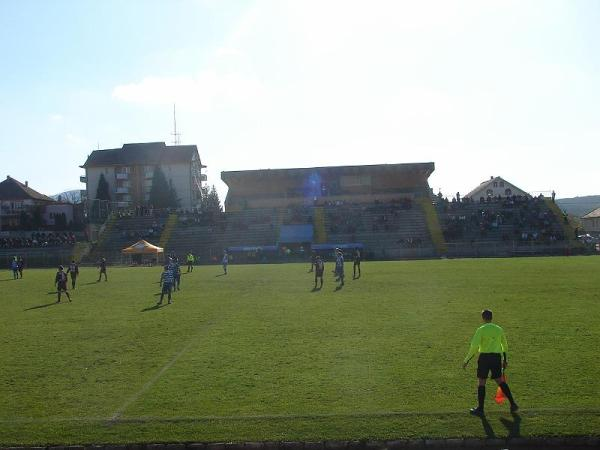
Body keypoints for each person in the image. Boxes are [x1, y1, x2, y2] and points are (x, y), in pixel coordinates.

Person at [463, 309, 518, 416]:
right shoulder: (499, 329)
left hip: (484, 358)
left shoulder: (481, 329)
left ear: (483, 318)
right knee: (500, 380)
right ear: (491, 317)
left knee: (481, 381)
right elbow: (505, 346)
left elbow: (474, 347)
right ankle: (513, 404)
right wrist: (505, 360)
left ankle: (481, 409)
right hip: (496, 357)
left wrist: (466, 360)